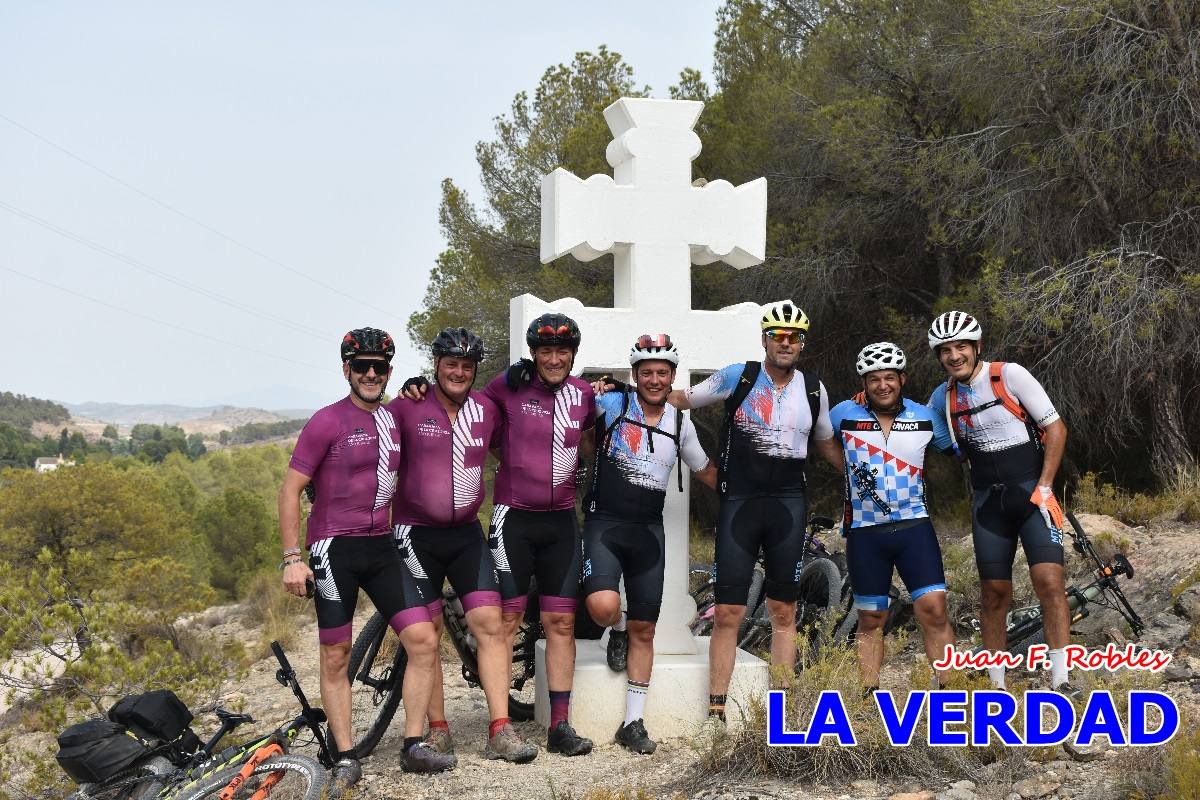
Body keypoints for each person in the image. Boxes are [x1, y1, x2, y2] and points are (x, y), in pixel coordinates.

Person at [402, 312, 597, 756]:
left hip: (563, 521)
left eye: (562, 351)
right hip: (514, 519)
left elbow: (592, 438)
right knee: (504, 622)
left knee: (561, 622)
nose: (553, 359)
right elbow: (457, 400)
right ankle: (495, 722)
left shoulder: (584, 394)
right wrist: (415, 384)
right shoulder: (504, 389)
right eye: (545, 351)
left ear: (573, 355)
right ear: (532, 353)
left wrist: (612, 387)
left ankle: (559, 726)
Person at [278, 328, 454, 787]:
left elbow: (438, 401)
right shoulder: (327, 421)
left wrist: (420, 383)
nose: (371, 374)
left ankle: (413, 745)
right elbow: (291, 490)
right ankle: (345, 754)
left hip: (381, 545)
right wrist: (291, 558)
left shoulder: (396, 416)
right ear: (346, 370)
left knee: (423, 640)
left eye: (380, 367)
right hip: (333, 548)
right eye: (361, 366)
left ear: (389, 371)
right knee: (336, 655)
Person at [666, 300, 843, 723]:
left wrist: (865, 473)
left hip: (787, 507)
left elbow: (826, 443)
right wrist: (623, 391)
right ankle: (716, 710)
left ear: (802, 344)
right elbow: (681, 400)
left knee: (784, 611)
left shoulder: (814, 389)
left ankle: (783, 709)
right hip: (739, 507)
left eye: (794, 338)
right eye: (778, 336)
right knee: (729, 611)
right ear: (765, 339)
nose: (786, 343)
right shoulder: (738, 376)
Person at [387, 327, 538, 764]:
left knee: (490, 623)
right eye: (450, 364)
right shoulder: (408, 406)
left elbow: (511, 436)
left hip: (467, 533)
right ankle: (437, 731)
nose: (458, 372)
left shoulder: (484, 409)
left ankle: (500, 729)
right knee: (428, 637)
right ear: (435, 366)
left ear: (475, 371)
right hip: (415, 534)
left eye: (466, 366)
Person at [926, 311, 1073, 694]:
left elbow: (1056, 429)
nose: (954, 356)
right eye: (945, 350)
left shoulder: (1009, 375)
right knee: (993, 594)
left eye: (961, 347)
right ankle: (996, 685)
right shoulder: (942, 399)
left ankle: (1062, 678)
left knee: (1050, 582)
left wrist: (1045, 485)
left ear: (976, 347)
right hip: (988, 505)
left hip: (1033, 496)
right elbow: (928, 435)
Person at [583, 334, 717, 754]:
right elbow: (569, 408)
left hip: (648, 532)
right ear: (635, 375)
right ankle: (617, 629)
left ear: (672, 376)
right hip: (604, 523)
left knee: (647, 628)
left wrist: (749, 494)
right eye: (646, 372)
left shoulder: (681, 422)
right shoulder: (611, 406)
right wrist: (591, 388)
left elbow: (706, 469)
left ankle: (633, 722)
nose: (655, 379)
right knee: (604, 608)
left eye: (662, 373)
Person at [828, 342, 955, 693]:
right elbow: (821, 439)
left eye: (889, 377)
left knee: (934, 610)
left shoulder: (926, 416)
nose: (882, 385)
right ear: (864, 384)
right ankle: (869, 694)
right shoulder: (842, 413)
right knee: (871, 618)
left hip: (915, 528)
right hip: (865, 533)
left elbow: (957, 448)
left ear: (902, 379)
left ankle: (950, 693)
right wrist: (848, 470)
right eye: (873, 379)